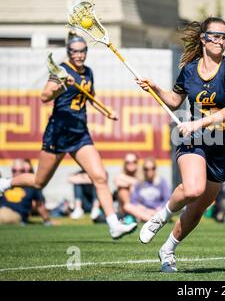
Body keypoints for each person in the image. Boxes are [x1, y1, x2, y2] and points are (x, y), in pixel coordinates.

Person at [136, 16, 225, 272]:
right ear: (203, 38)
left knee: (197, 209)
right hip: (194, 139)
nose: (221, 41)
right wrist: (155, 89)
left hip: (224, 143)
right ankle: (160, 216)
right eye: (216, 36)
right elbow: (175, 101)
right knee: (193, 189)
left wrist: (198, 123)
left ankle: (168, 250)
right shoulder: (189, 69)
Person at [0, 31, 136, 239]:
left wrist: (107, 112)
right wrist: (62, 85)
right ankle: (6, 183)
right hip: (58, 134)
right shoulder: (61, 71)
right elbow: (45, 96)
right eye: (75, 51)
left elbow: (91, 98)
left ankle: (112, 224)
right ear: (69, 52)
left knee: (100, 176)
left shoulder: (88, 72)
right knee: (39, 182)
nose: (79, 55)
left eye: (82, 51)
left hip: (80, 135)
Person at [0, 159, 52, 225]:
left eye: (20, 170)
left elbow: (40, 206)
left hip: (15, 214)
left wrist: (47, 221)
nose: (17, 173)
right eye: (14, 170)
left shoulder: (32, 187)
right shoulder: (5, 183)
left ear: (24, 171)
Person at [124, 157, 171, 222]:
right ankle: (153, 220)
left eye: (153, 168)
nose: (150, 171)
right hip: (144, 211)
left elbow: (167, 199)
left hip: (158, 210)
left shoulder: (161, 182)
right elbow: (134, 201)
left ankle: (151, 219)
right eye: (146, 169)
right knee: (127, 206)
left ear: (155, 168)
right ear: (143, 170)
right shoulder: (139, 183)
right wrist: (143, 208)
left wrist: (160, 207)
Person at [113, 152, 140, 218]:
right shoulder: (121, 175)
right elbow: (117, 180)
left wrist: (132, 183)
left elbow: (141, 183)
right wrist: (131, 184)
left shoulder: (142, 174)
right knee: (123, 189)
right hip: (126, 206)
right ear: (124, 164)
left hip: (141, 204)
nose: (131, 164)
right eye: (128, 162)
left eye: (134, 162)